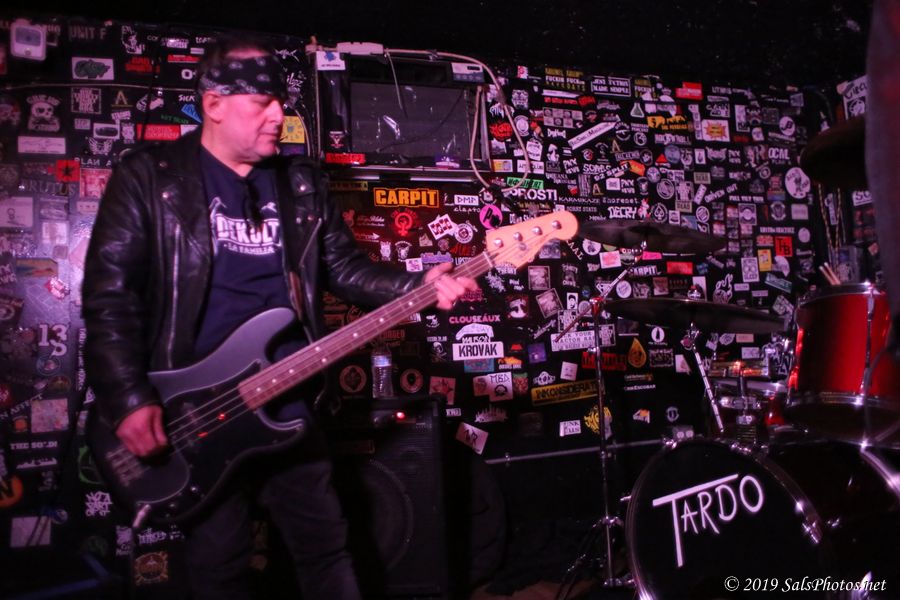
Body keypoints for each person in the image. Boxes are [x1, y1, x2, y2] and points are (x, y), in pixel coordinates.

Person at [81, 35, 477, 600]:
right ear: (214, 104)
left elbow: (345, 269)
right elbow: (110, 297)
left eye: (281, 103)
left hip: (288, 401)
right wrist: (127, 397)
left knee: (326, 553)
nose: (279, 116)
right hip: (194, 412)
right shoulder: (150, 177)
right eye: (262, 102)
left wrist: (420, 285)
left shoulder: (301, 184)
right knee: (219, 567)